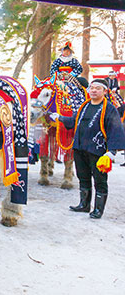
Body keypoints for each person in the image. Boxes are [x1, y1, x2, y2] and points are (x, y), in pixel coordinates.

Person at [49, 79, 125, 218]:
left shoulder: (109, 108)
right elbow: (74, 120)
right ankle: (84, 205)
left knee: (99, 180)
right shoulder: (84, 105)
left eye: (98, 88)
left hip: (97, 150)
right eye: (92, 88)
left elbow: (115, 129)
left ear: (105, 91)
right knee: (83, 177)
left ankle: (98, 209)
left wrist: (111, 152)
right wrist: (60, 117)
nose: (94, 90)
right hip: (80, 148)